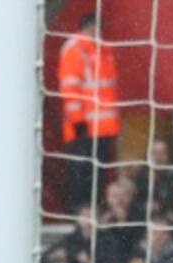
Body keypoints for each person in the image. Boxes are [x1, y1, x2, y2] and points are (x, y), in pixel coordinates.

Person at [58, 13, 119, 211]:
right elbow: (70, 88)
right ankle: (79, 214)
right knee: (81, 174)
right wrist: (78, 122)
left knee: (96, 176)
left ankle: (89, 212)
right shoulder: (76, 50)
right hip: (84, 127)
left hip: (103, 128)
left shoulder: (102, 51)